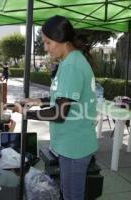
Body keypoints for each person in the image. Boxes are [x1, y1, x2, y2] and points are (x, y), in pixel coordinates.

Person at [12, 15, 98, 200]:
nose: (45, 48)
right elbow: (60, 97)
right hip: (70, 143)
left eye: (47, 42)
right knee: (68, 192)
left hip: (75, 145)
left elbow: (59, 113)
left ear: (60, 40)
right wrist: (36, 101)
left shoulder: (72, 65)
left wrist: (26, 113)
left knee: (72, 195)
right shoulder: (69, 61)